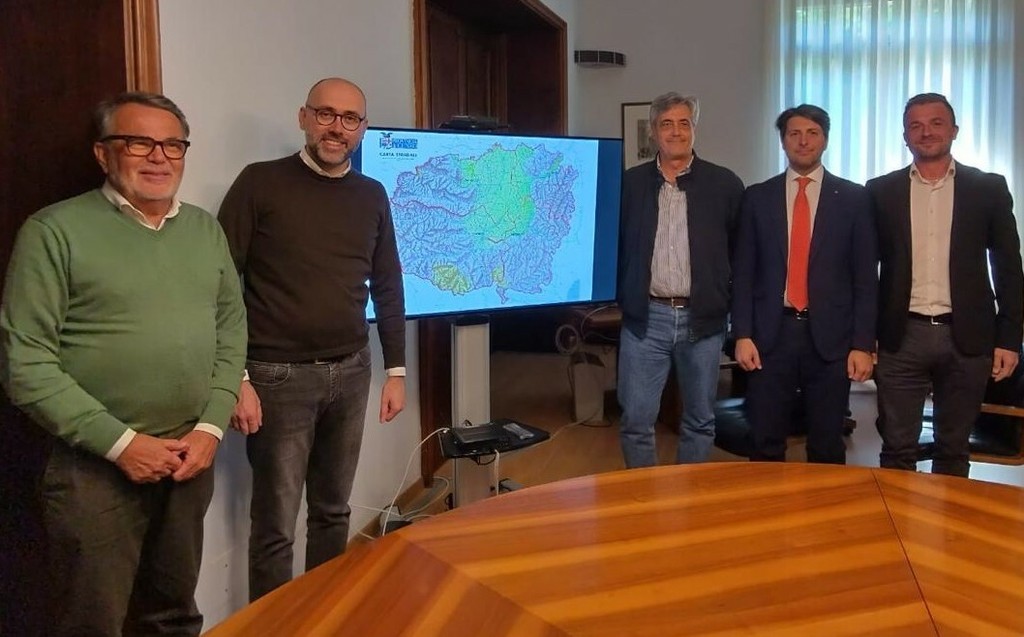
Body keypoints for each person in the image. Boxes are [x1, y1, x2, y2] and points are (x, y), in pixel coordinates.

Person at [0, 92, 247, 636]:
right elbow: (25, 363)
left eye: (173, 145)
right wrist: (123, 445)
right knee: (92, 621)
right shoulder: (53, 232)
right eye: (139, 142)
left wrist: (210, 428)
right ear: (103, 153)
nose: (159, 157)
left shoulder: (204, 229)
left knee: (173, 614)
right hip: (94, 468)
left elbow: (231, 329)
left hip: (189, 458)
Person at [218, 77, 406, 601]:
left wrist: (396, 370)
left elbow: (388, 284)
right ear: (304, 117)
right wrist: (235, 377)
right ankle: (274, 624)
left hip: (352, 372)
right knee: (275, 525)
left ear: (362, 129)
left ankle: (326, 613)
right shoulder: (259, 183)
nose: (336, 128)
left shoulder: (372, 195)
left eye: (350, 119)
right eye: (326, 114)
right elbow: (219, 283)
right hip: (277, 379)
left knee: (332, 512)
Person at [868, 92, 1023, 477]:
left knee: (954, 449)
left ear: (954, 130)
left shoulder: (987, 188)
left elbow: (1007, 267)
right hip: (901, 336)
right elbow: (864, 271)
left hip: (967, 337)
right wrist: (863, 337)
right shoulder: (880, 191)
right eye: (916, 126)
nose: (926, 132)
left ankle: (950, 518)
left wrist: (1009, 339)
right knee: (897, 448)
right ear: (905, 136)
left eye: (936, 123)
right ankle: (897, 516)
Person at [731, 104, 877, 464]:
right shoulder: (757, 197)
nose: (803, 141)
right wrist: (742, 334)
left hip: (831, 338)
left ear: (825, 140)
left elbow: (865, 278)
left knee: (827, 443)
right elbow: (744, 273)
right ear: (783, 141)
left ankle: (823, 502)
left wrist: (863, 344)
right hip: (770, 336)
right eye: (794, 133)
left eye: (812, 133)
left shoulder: (854, 199)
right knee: (765, 441)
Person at [617, 92, 744, 468]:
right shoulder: (630, 184)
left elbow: (741, 254)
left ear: (694, 129)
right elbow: (615, 245)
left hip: (703, 320)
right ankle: (643, 494)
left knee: (700, 420)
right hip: (646, 319)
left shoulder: (725, 184)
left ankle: (689, 495)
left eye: (684, 123)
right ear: (654, 131)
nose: (676, 132)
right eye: (667, 124)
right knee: (636, 420)